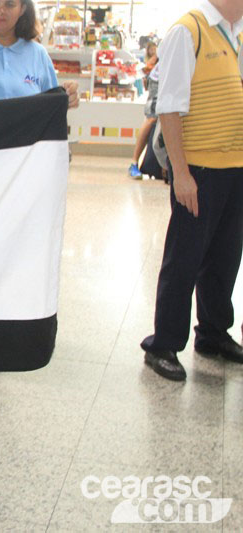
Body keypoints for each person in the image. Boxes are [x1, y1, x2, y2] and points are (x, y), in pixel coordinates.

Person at [140, 0, 243, 381]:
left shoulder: (236, 34)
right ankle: (164, 344)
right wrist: (180, 174)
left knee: (225, 257)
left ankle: (214, 333)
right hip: (199, 169)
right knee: (184, 257)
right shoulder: (189, 31)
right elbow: (168, 107)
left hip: (236, 166)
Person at [129, 40, 159, 179]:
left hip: (170, 83)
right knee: (151, 118)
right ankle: (134, 163)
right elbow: (146, 68)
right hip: (159, 81)